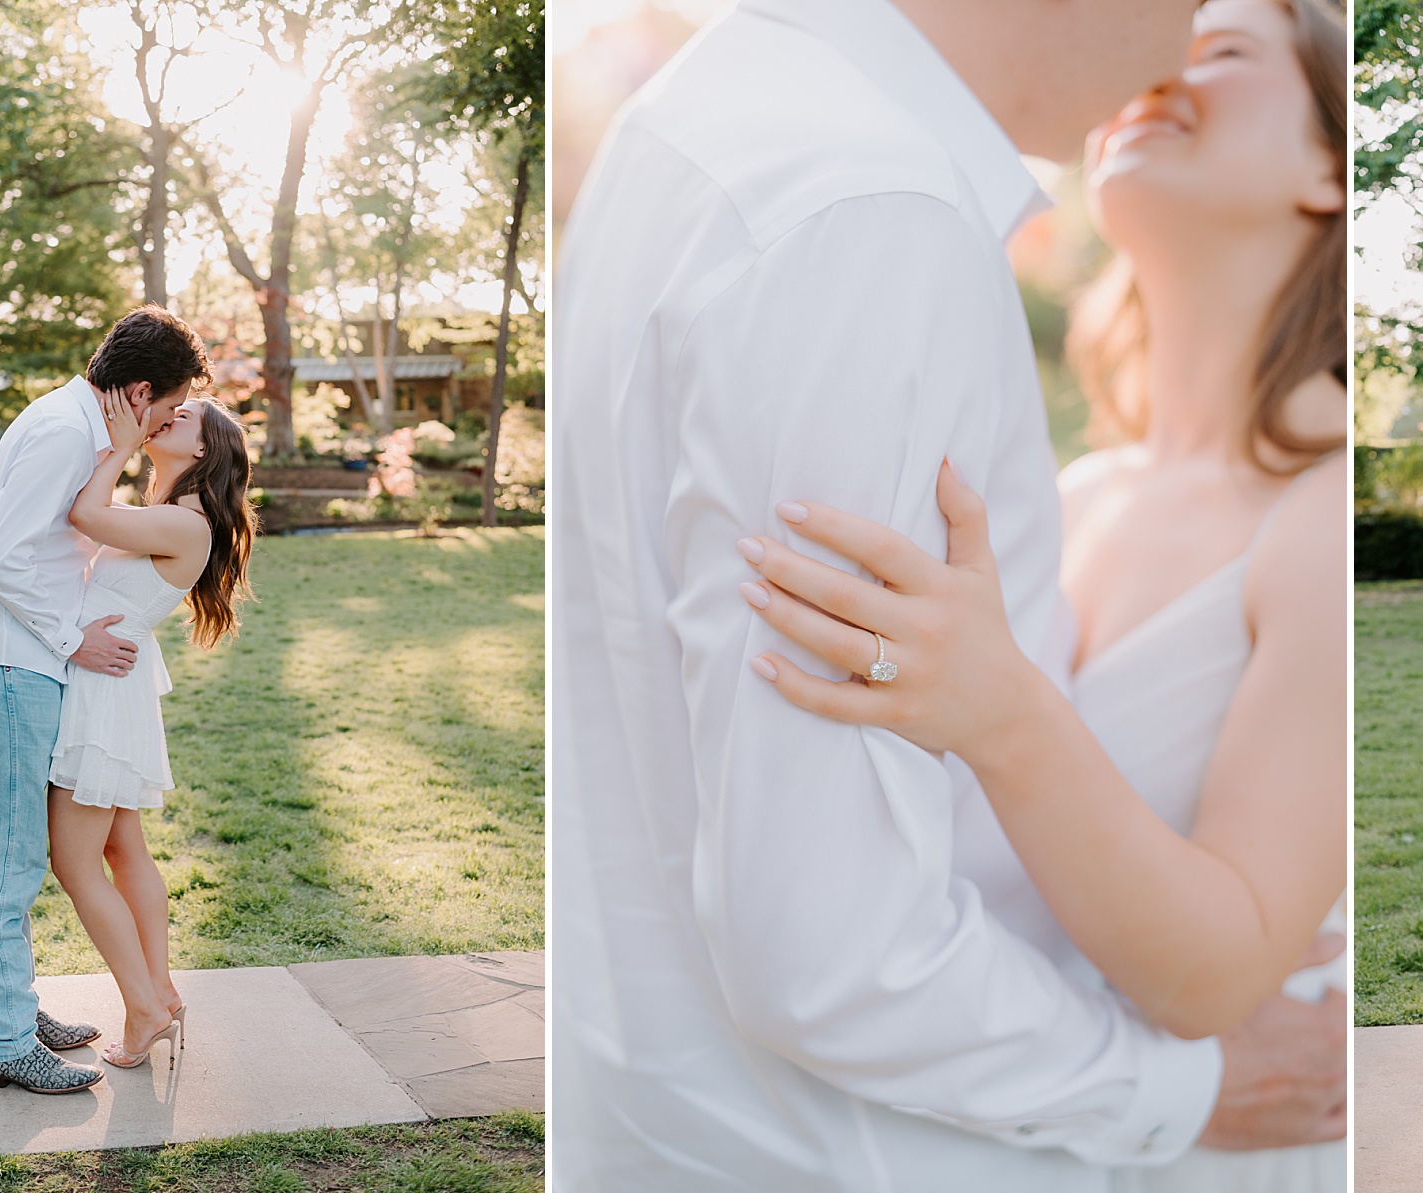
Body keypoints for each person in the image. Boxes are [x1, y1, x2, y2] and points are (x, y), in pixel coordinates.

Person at [551, 0, 1345, 1186]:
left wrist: (1005, 709)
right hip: (1014, 1122)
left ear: (1336, 165)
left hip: (1189, 1120)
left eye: (1225, 50)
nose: (1173, 59)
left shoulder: (1323, 514)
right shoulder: (1084, 473)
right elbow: (836, 926)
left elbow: (1216, 956)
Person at [0, 306, 210, 1094]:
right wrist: (73, 638)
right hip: (13, 661)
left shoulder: (80, 428)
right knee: (9, 851)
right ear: (144, 389)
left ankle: (10, 1009)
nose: (166, 420)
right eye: (170, 404)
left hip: (25, 660)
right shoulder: (65, 430)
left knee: (22, 845)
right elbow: (5, 557)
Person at [50, 393, 255, 1073]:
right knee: (122, 848)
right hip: (113, 683)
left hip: (106, 692)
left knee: (76, 861)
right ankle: (161, 991)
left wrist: (120, 443)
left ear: (203, 451)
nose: (169, 415)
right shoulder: (171, 512)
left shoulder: (184, 521)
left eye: (185, 416)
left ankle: (142, 1006)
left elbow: (84, 515)